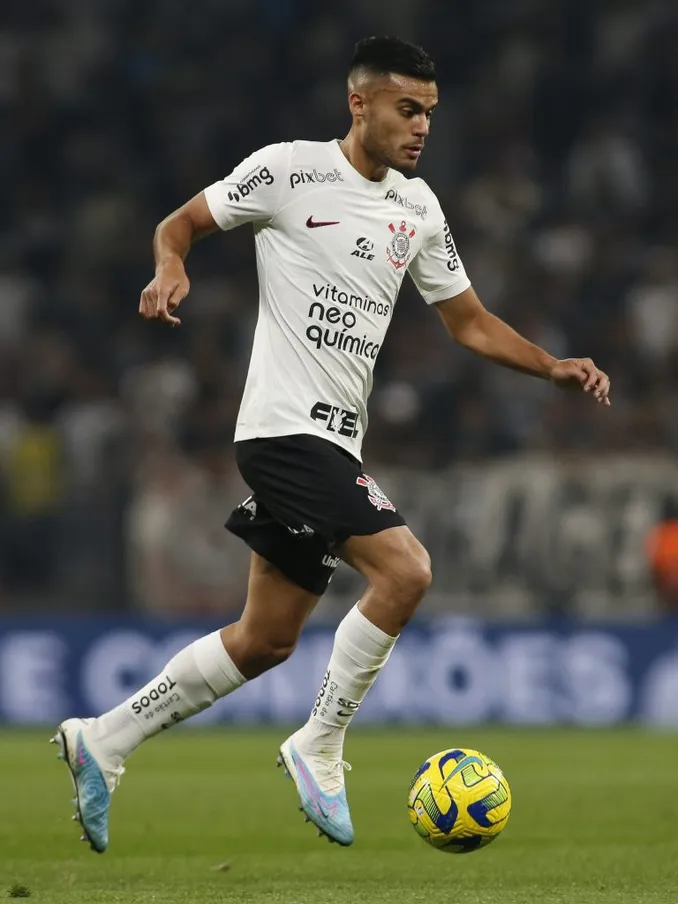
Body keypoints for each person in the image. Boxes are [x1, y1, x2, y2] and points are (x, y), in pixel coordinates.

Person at [52, 36, 611, 854]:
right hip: (282, 431)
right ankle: (319, 742)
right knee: (408, 568)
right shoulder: (288, 170)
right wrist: (171, 267)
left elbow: (469, 321)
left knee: (267, 638)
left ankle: (103, 740)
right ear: (360, 103)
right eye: (406, 109)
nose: (421, 127)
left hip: (334, 444)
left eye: (429, 113)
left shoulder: (418, 209)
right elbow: (181, 223)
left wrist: (550, 366)